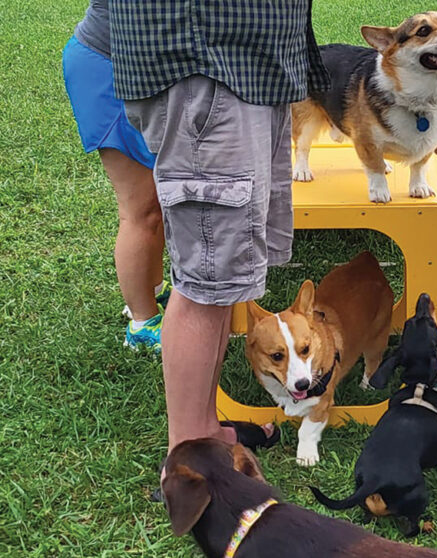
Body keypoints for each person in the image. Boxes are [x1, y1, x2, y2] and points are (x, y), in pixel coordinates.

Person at [108, 1, 330, 463]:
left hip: (245, 64)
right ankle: (191, 462)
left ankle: (202, 431)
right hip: (210, 61)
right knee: (206, 282)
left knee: (223, 275)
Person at [62, 0, 170, 352]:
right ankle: (141, 324)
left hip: (133, 69)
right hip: (108, 71)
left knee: (159, 201)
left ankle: (153, 289)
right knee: (141, 210)